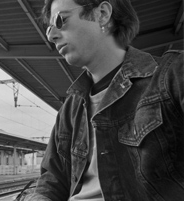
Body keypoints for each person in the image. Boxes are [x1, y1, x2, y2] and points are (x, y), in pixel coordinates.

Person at [23, 0, 184, 200]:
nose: (53, 36)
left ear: (102, 14)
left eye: (61, 20)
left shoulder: (173, 75)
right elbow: (52, 180)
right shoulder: (70, 108)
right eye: (49, 30)